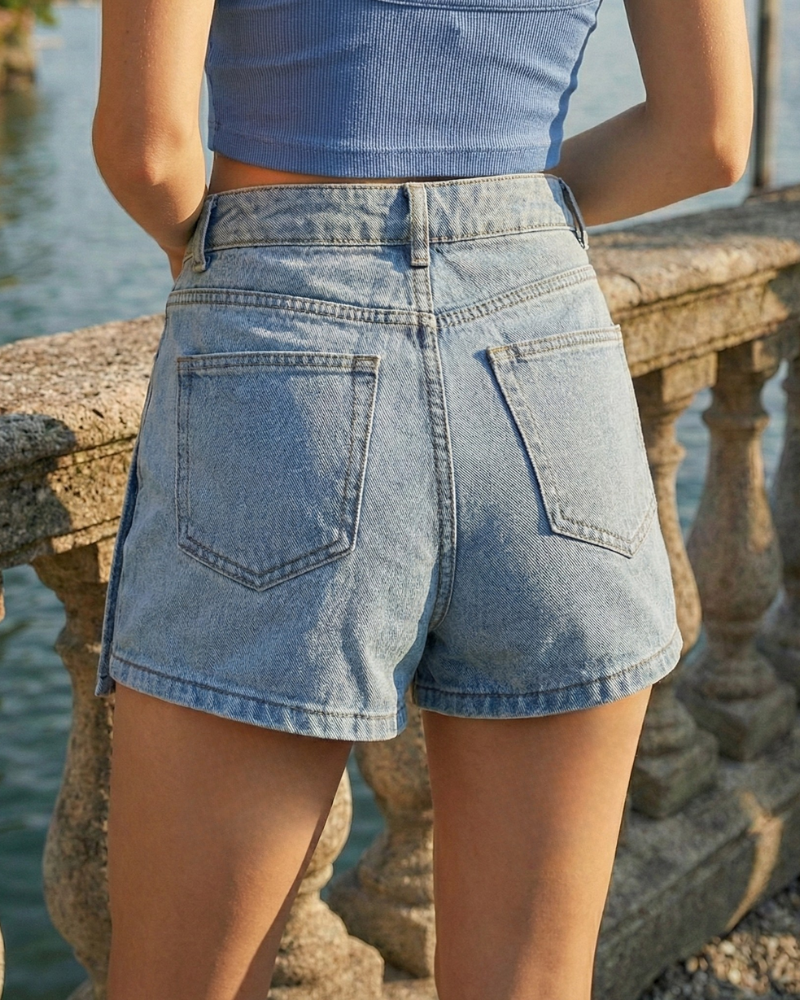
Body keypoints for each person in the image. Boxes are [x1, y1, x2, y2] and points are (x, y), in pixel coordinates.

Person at [91, 0, 752, 997]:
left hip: (284, 348)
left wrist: (259, 264)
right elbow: (704, 139)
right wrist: (493, 221)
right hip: (547, 358)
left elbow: (148, 149)